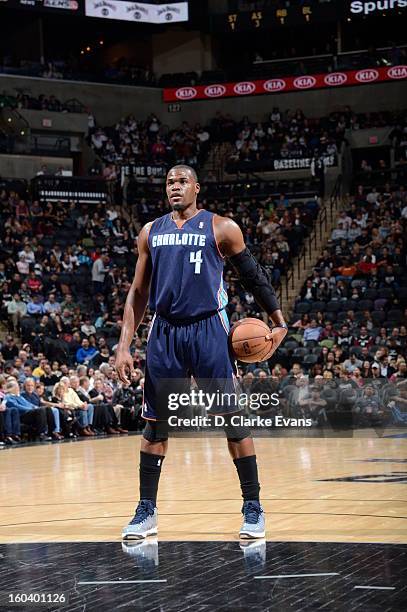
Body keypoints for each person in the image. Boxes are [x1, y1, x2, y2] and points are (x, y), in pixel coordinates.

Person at [115, 165, 287, 541]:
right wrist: (124, 344)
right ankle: (147, 511)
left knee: (233, 419)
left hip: (210, 328)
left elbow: (252, 275)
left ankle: (253, 507)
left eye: (181, 182)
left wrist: (278, 319)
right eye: (169, 183)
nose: (174, 188)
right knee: (156, 425)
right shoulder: (150, 232)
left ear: (196, 187)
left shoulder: (221, 227)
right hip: (165, 331)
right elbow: (138, 292)